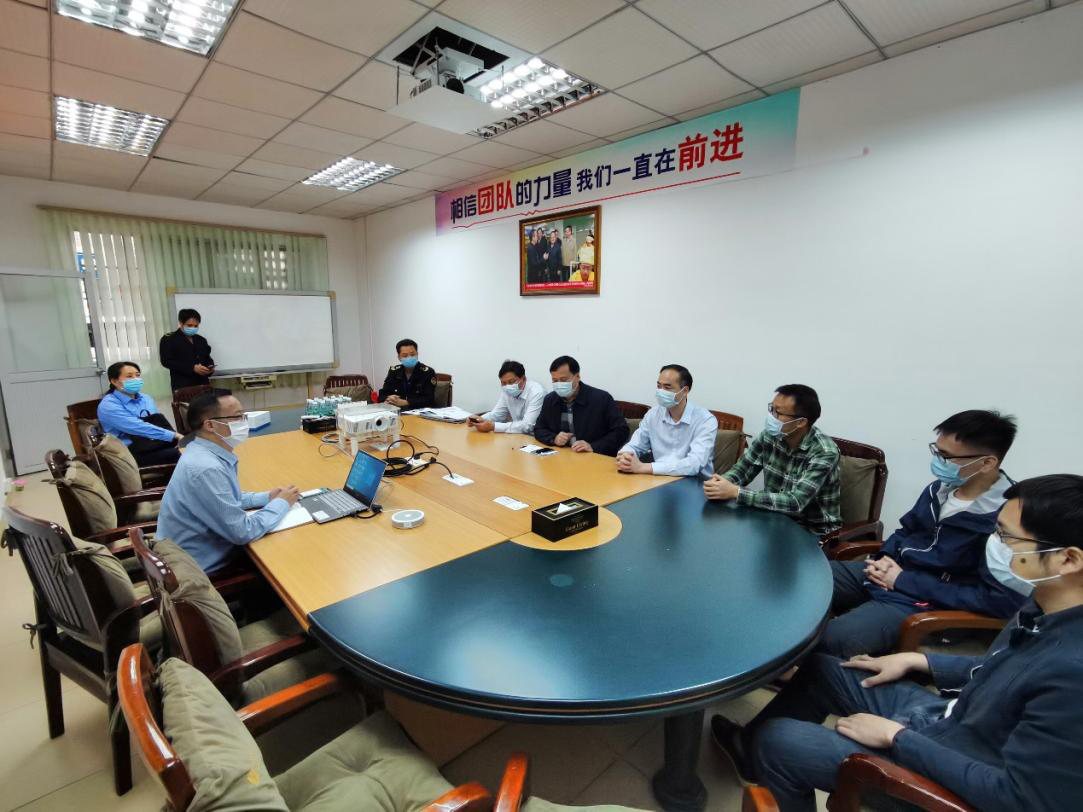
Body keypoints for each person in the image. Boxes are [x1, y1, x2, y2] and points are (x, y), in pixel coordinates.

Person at [710, 474, 1083, 812]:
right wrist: (919, 662)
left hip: (954, 766)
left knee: (781, 740)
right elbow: (1001, 670)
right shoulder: (1045, 603)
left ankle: (766, 755)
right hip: (951, 717)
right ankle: (748, 752)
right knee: (824, 669)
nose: (993, 545)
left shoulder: (1073, 672)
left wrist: (897, 738)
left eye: (1006, 536)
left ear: (1068, 559)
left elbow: (1020, 799)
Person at [822, 410, 1026, 658]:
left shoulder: (1011, 520)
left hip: (926, 602)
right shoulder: (940, 489)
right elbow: (907, 530)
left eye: (946, 456)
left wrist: (903, 580)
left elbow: (999, 601)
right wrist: (884, 558)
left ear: (987, 463)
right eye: (936, 451)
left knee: (831, 641)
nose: (938, 461)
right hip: (890, 573)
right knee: (805, 581)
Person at [156, 391, 299, 574]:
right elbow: (243, 532)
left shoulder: (201, 451)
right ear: (210, 425)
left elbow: (227, 499)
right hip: (198, 567)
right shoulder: (207, 468)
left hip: (190, 550)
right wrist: (282, 503)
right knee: (288, 553)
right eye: (237, 417)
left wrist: (267, 497)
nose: (244, 422)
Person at [704, 384, 841, 537]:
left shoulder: (824, 452)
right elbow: (742, 470)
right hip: (772, 519)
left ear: (801, 422)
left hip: (812, 533)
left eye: (778, 412)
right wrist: (720, 484)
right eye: (771, 409)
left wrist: (736, 492)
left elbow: (796, 503)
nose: (771, 416)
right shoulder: (769, 436)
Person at [615, 364, 717, 478]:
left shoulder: (705, 420)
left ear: (685, 391)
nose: (661, 391)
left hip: (694, 481)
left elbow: (694, 464)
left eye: (667, 387)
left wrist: (643, 467)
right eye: (659, 386)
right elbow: (635, 445)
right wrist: (625, 456)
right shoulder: (653, 414)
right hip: (658, 478)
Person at [533, 355, 628, 456]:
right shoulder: (550, 400)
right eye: (555, 380)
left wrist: (593, 446)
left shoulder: (601, 399)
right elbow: (539, 429)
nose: (559, 384)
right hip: (562, 456)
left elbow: (621, 430)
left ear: (577, 377)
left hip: (593, 456)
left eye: (564, 379)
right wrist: (554, 438)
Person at [96, 361, 182, 466]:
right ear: (114, 381)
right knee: (180, 454)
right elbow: (137, 427)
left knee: (192, 447)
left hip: (154, 444)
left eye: (137, 375)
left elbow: (157, 424)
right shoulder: (108, 405)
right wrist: (174, 435)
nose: (135, 379)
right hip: (128, 454)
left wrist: (175, 439)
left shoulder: (146, 398)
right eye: (129, 376)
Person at [467, 360, 545, 435]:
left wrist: (494, 426)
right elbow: (497, 414)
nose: (507, 386)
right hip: (516, 435)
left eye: (511, 382)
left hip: (534, 437)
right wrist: (478, 419)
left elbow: (527, 426)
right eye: (503, 383)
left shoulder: (537, 393)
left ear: (524, 379)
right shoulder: (506, 391)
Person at [159, 308, 215, 392]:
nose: (193, 328)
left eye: (196, 326)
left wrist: (210, 367)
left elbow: (207, 357)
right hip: (183, 386)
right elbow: (166, 361)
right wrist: (192, 368)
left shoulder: (201, 340)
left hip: (203, 384)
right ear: (181, 323)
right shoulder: (169, 339)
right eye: (189, 325)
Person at [378, 339, 436, 409]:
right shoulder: (394, 371)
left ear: (417, 354)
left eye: (412, 354)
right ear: (399, 357)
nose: (409, 358)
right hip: (397, 411)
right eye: (405, 356)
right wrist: (389, 398)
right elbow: (382, 394)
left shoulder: (428, 372)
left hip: (420, 411)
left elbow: (429, 399)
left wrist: (406, 402)